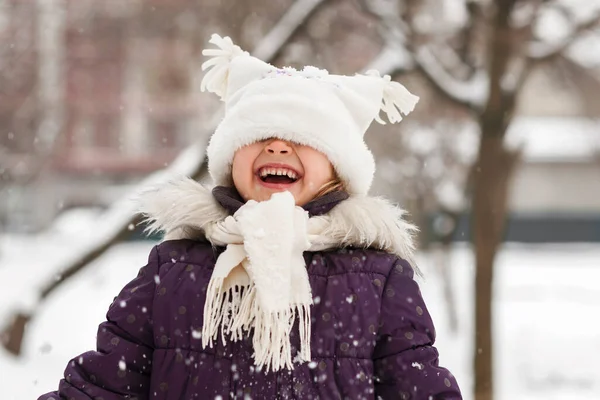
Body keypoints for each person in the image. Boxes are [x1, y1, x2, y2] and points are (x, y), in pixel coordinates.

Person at [39, 34, 462, 400]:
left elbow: (414, 382)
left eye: (300, 138)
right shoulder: (175, 269)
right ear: (229, 160)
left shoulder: (376, 278)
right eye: (259, 136)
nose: (277, 148)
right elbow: (105, 383)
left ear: (337, 169)